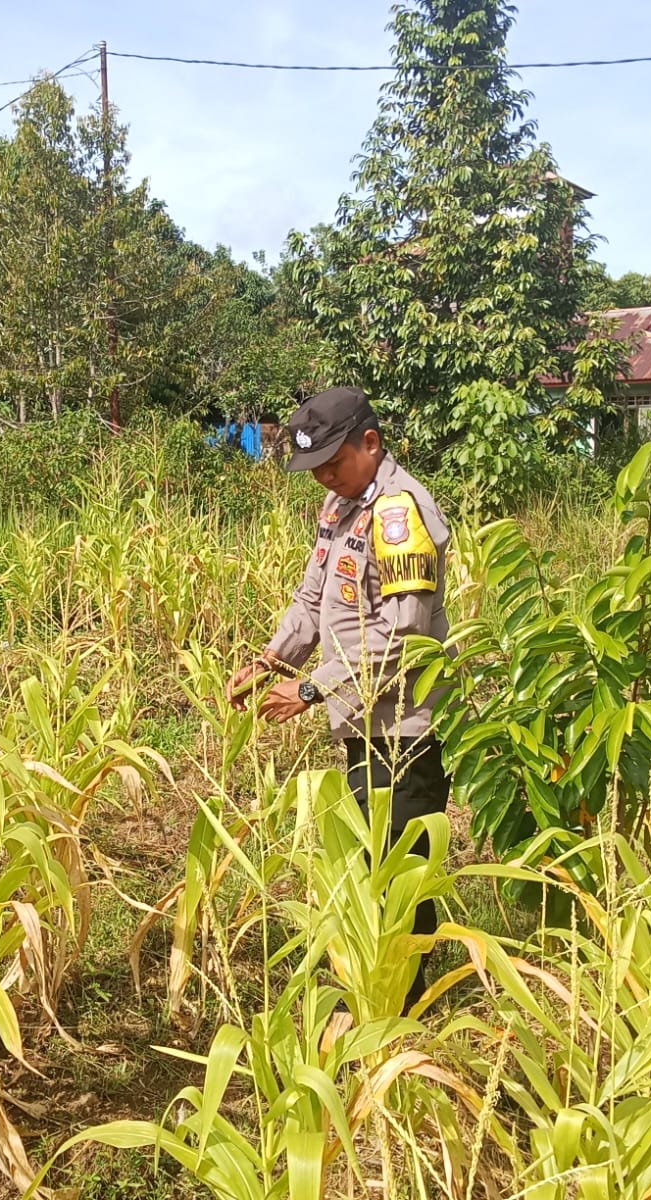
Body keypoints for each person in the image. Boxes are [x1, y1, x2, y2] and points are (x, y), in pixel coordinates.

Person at [227, 385, 451, 1013]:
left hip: (403, 726)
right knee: (364, 861)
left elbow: (401, 636)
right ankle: (377, 991)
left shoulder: (400, 514)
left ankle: (403, 1014)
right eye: (317, 467)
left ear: (371, 443)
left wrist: (309, 687)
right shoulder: (339, 506)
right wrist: (269, 660)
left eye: (333, 461)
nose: (324, 476)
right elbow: (310, 601)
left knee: (402, 870)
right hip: (358, 722)